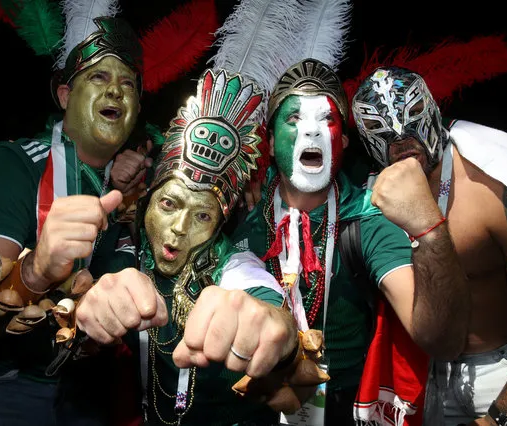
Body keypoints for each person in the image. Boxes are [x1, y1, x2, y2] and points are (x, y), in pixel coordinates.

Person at [0, 16, 146, 426]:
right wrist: (34, 271)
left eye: (128, 83)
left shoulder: (122, 196)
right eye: (98, 76)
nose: (116, 89)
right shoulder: (15, 163)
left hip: (74, 389)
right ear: (65, 94)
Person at [74, 68, 328, 426]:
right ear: (147, 203)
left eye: (202, 216)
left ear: (218, 226)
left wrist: (280, 344)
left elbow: (294, 379)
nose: (178, 229)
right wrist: (84, 317)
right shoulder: (123, 256)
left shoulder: (236, 269)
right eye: (169, 205)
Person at [229, 58, 470, 425]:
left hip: (345, 407)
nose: (311, 133)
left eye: (326, 120)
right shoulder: (239, 214)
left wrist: (430, 231)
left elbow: (441, 340)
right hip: (251, 408)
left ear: (342, 141)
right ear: (271, 141)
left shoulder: (367, 219)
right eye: (294, 119)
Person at [352, 65, 507, 425]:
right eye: (381, 131)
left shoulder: (499, 175)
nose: (402, 140)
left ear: (431, 108)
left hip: (506, 371)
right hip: (426, 379)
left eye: (413, 117)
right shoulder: (370, 195)